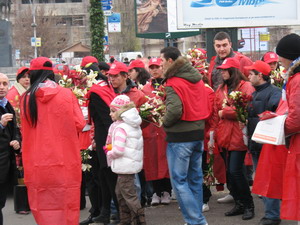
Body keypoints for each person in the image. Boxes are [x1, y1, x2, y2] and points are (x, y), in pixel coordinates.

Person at [20, 57, 85, 225]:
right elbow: (80, 123)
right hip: (65, 164)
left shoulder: (25, 99)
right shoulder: (66, 95)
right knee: (66, 209)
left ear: (32, 74)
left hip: (37, 166)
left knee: (43, 210)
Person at [160, 46, 210, 225]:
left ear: (171, 61)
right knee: (195, 179)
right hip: (197, 134)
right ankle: (196, 219)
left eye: (162, 61)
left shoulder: (173, 82)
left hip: (180, 137)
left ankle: (196, 221)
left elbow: (174, 110)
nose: (161, 64)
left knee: (180, 182)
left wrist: (163, 122)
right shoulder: (195, 78)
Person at [208, 57, 255, 220]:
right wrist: (212, 135)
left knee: (235, 171)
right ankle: (239, 203)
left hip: (238, 135)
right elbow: (215, 113)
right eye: (221, 69)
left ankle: (248, 204)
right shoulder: (220, 88)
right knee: (230, 172)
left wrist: (225, 112)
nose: (222, 72)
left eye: (225, 70)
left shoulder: (246, 86)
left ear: (233, 71)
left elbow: (246, 110)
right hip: (224, 135)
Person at [245, 60, 282, 225]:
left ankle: (272, 215)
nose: (248, 76)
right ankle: (271, 213)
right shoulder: (255, 93)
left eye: (251, 73)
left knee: (269, 180)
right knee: (263, 179)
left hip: (267, 144)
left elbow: (276, 113)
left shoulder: (274, 92)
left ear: (260, 75)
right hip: (257, 143)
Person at [84, 56, 119, 224]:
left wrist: (108, 144)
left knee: (109, 176)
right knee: (103, 176)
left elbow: (106, 120)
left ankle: (117, 212)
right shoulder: (104, 88)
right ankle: (105, 211)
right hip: (103, 138)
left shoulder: (97, 92)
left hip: (105, 139)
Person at [106, 94, 145, 225]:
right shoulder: (132, 124)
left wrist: (109, 152)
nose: (110, 114)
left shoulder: (120, 128)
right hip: (130, 164)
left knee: (128, 195)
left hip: (124, 166)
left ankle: (139, 220)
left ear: (121, 111)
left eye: (113, 111)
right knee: (121, 194)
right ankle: (126, 220)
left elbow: (118, 150)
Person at [275, 33, 300, 224]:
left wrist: (277, 127)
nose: (278, 59)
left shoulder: (297, 79)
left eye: (280, 55)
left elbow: (297, 117)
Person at [141, 58, 172, 206]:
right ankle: (155, 192)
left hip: (165, 129)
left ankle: (167, 191)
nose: (155, 70)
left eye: (157, 67)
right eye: (152, 67)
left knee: (165, 160)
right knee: (151, 160)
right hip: (151, 130)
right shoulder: (145, 89)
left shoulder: (169, 85)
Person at [0, 73, 20, 225]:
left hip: (6, 163)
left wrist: (17, 141)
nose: (2, 87)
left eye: (5, 84)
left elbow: (15, 130)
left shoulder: (7, 105)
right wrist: (0, 125)